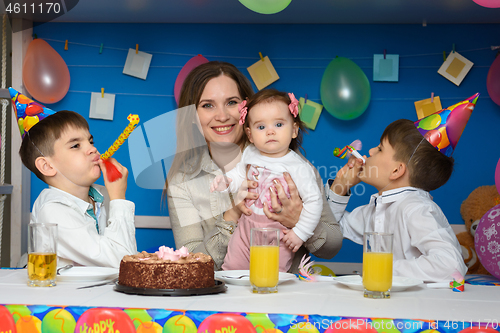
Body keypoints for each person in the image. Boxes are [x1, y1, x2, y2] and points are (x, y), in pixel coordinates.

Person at [164, 61, 343, 272]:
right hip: (226, 299)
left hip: (288, 296)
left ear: (247, 110)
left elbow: (332, 246)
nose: (222, 116)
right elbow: (191, 265)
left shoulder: (290, 163)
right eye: (207, 105)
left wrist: (297, 219)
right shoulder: (182, 183)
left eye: (231, 102)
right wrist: (231, 215)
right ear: (192, 116)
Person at [327, 119, 467, 282]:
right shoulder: (376, 208)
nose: (371, 151)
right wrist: (340, 186)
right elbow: (332, 227)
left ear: (396, 170)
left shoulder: (416, 208)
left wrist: (385, 268)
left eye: (379, 149)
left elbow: (451, 266)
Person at [211, 89, 322, 272]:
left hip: (278, 234)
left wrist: (300, 232)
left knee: (270, 274)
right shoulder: (249, 154)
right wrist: (226, 183)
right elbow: (239, 177)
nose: (270, 131)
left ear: (294, 130)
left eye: (278, 124)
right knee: (232, 267)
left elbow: (314, 201)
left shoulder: (298, 167)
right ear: (250, 135)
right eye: (261, 127)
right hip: (245, 228)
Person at [19, 110, 137, 268]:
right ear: (47, 166)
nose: (92, 149)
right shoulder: (53, 210)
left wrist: (114, 197)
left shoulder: (102, 195)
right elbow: (122, 262)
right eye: (76, 145)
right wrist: (118, 198)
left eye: (90, 141)